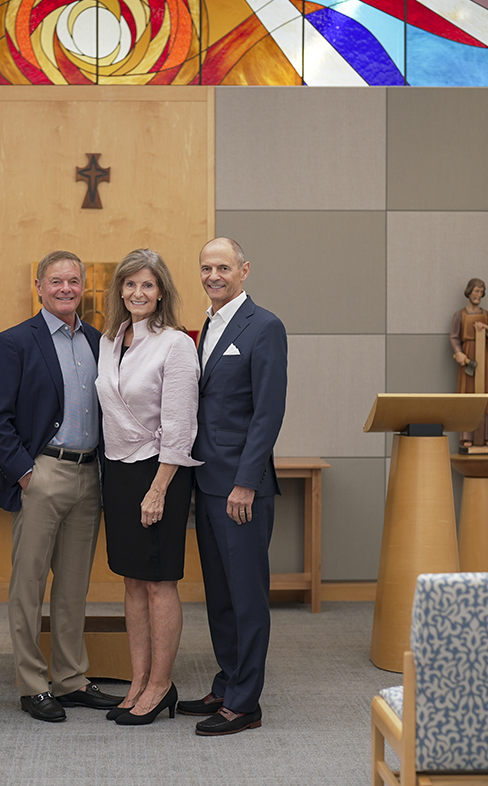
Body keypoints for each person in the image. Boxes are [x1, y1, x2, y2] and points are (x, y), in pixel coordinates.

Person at [0, 250, 123, 722]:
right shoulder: (14, 342)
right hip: (42, 474)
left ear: (83, 287)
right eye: (56, 281)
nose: (65, 289)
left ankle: (70, 679)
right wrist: (25, 472)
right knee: (29, 584)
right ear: (39, 287)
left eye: (73, 281)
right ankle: (31, 683)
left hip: (90, 476)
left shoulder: (100, 342)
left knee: (74, 586)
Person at [179, 237, 287, 737]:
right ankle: (227, 683)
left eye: (223, 266)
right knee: (219, 595)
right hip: (206, 480)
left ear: (244, 269)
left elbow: (267, 412)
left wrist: (246, 482)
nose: (213, 275)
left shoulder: (264, 326)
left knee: (246, 596)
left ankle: (246, 703)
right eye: (206, 267)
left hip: (241, 488)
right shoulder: (207, 327)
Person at [94, 249, 201, 727]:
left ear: (162, 293)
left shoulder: (175, 344)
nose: (138, 293)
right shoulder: (111, 339)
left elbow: (181, 427)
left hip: (161, 474)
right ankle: (138, 680)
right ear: (120, 290)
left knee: (159, 582)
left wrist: (158, 489)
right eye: (130, 284)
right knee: (131, 579)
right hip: (117, 471)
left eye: (148, 286)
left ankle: (161, 685)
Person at [450, 277, 488, 448]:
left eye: (481, 291)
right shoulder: (460, 315)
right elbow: (454, 337)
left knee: (485, 395)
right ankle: (466, 437)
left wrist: (486, 328)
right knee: (467, 395)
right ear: (469, 292)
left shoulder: (486, 315)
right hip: (468, 360)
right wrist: (459, 352)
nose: (479, 294)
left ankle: (486, 436)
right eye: (476, 290)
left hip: (483, 359)